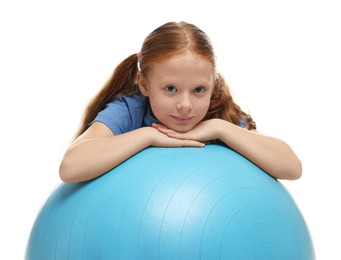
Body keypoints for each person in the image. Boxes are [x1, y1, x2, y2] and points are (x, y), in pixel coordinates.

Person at [59, 21, 302, 183]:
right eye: (171, 89)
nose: (185, 104)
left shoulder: (217, 114)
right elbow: (70, 167)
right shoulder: (129, 111)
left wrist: (220, 128)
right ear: (144, 84)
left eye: (198, 90)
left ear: (213, 85)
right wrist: (148, 136)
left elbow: (292, 168)